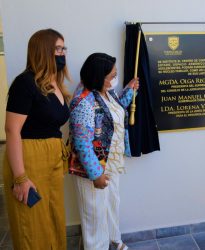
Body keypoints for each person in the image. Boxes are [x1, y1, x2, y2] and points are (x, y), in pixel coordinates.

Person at [3, 28, 70, 249]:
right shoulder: (25, 83)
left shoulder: (55, 84)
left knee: (53, 218)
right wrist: (20, 177)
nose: (62, 53)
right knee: (33, 225)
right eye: (57, 49)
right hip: (29, 158)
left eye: (63, 48)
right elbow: (12, 130)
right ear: (43, 51)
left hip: (52, 161)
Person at [69, 53, 139, 250]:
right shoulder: (83, 101)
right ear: (98, 76)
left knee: (111, 204)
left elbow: (114, 111)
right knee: (94, 215)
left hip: (111, 161)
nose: (115, 78)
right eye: (112, 75)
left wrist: (130, 90)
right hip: (94, 167)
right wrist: (96, 174)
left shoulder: (107, 91)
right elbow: (82, 143)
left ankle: (114, 240)